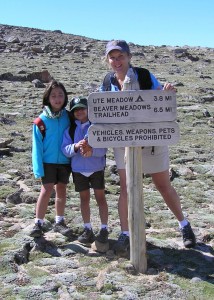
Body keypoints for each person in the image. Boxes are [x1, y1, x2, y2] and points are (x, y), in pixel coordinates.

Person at [100, 40, 196, 252]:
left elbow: (159, 96)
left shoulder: (143, 75)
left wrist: (167, 90)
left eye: (120, 56)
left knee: (163, 186)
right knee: (125, 189)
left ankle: (185, 225)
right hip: (123, 145)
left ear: (129, 57)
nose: (116, 61)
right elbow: (100, 111)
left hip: (152, 141)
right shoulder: (107, 82)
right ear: (108, 60)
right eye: (112, 57)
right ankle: (126, 233)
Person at [61, 97, 109, 244]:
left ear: (89, 109)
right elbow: (65, 149)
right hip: (78, 169)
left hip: (96, 168)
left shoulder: (96, 127)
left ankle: (104, 228)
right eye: (76, 110)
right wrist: (76, 146)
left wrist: (91, 151)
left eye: (82, 108)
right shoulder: (70, 129)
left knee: (100, 198)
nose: (79, 112)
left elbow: (103, 149)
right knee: (84, 199)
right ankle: (87, 228)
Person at [30, 80, 72, 238]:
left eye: (60, 95)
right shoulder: (41, 121)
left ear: (65, 97)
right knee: (46, 190)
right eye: (53, 95)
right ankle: (38, 223)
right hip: (47, 162)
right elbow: (37, 147)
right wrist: (38, 168)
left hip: (65, 162)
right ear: (47, 98)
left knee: (61, 190)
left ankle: (59, 222)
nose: (57, 99)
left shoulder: (69, 117)